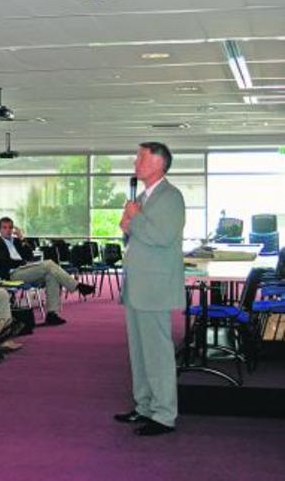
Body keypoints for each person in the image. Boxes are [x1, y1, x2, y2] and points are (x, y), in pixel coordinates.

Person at [115, 142, 185, 437]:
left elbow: (161, 236)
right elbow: (133, 236)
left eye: (141, 157)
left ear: (158, 163)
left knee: (157, 352)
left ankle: (164, 414)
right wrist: (128, 222)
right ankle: (144, 405)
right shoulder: (143, 197)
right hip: (138, 285)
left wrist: (134, 217)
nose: (135, 162)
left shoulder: (171, 197)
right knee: (139, 352)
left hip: (154, 287)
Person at [0, 216, 95, 326]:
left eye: (10, 227)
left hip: (25, 270)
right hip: (13, 274)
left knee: (51, 275)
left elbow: (29, 255)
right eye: (5, 228)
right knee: (49, 264)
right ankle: (76, 286)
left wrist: (22, 238)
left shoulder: (17, 242)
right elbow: (5, 262)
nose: (8, 230)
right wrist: (23, 263)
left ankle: (52, 314)